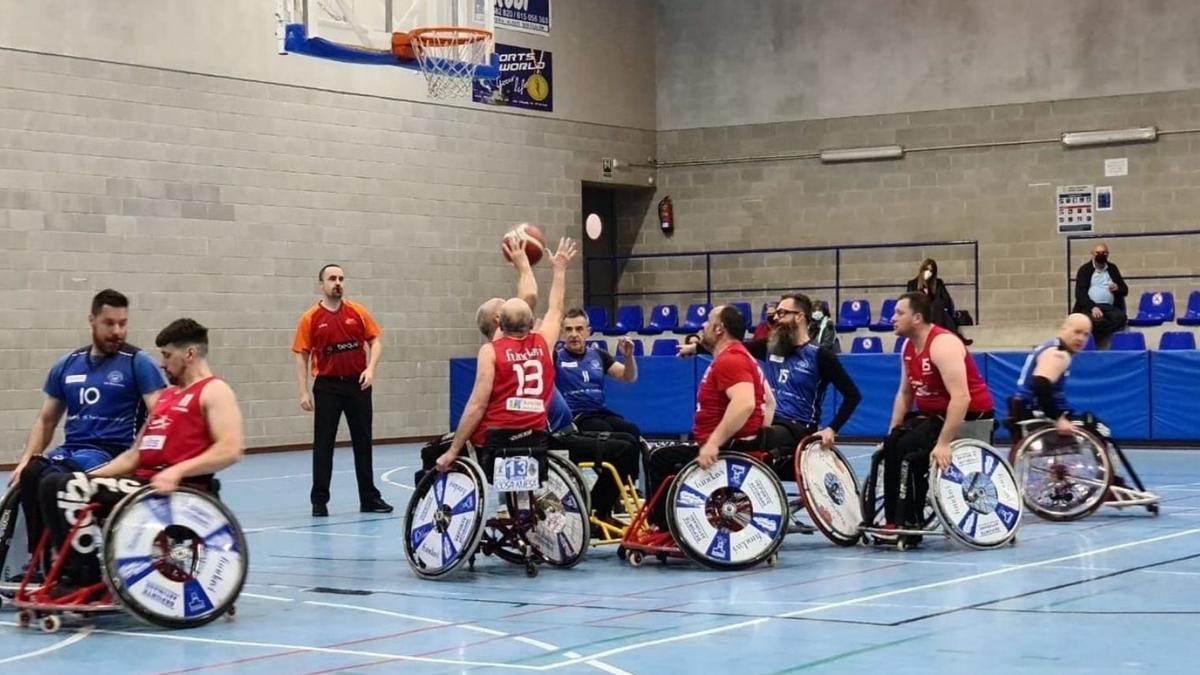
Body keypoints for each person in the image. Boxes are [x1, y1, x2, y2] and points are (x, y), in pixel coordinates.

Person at [37, 318, 244, 594]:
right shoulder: (168, 398)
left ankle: (85, 578)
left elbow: (230, 449)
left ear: (190, 354)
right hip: (140, 482)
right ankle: (62, 570)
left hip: (177, 489)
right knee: (55, 482)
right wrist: (87, 478)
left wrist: (177, 471)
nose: (162, 363)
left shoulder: (214, 391)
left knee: (65, 487)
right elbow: (133, 455)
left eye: (167, 355)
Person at [8, 289, 167, 579]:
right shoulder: (67, 364)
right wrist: (24, 460)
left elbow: (159, 414)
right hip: (73, 449)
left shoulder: (138, 362)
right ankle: (39, 562)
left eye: (123, 323)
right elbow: (46, 420)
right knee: (31, 473)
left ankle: (74, 568)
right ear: (91, 320)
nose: (117, 331)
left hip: (111, 452)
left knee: (55, 481)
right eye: (109, 323)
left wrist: (138, 455)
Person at [436, 238, 575, 472]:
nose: (506, 300)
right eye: (501, 304)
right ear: (496, 321)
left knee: (436, 451)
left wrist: (453, 450)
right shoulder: (541, 341)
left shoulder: (492, 351)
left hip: (500, 438)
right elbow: (554, 307)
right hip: (535, 433)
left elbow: (477, 405)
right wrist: (553, 269)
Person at [645, 306, 772, 528]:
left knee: (658, 456)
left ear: (719, 328)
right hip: (736, 445)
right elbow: (769, 402)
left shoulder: (731, 359)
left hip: (727, 450)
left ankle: (662, 527)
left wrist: (713, 444)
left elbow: (745, 403)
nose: (702, 326)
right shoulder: (740, 356)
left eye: (707, 321)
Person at [881, 292, 993, 538]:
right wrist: (893, 430)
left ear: (917, 318)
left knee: (910, 449)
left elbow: (961, 397)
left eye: (900, 313)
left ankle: (911, 520)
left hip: (969, 416)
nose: (893, 318)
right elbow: (904, 394)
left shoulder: (943, 344)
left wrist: (944, 443)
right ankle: (892, 520)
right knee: (891, 444)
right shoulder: (908, 347)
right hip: (932, 416)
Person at [292, 264, 390, 517]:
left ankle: (369, 498)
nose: (337, 282)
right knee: (323, 444)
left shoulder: (358, 312)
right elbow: (301, 355)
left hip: (357, 385)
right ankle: (319, 500)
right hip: (327, 387)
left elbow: (375, 341)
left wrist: (371, 369)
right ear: (321, 284)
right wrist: (303, 391)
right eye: (332, 278)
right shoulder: (310, 318)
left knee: (363, 442)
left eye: (341, 278)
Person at [759, 294, 862, 458]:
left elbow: (853, 395)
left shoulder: (820, 355)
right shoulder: (770, 347)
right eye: (775, 314)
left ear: (799, 317)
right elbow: (734, 347)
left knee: (761, 438)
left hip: (798, 428)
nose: (776, 318)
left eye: (782, 313)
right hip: (769, 419)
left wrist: (832, 428)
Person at [555, 308, 640, 436]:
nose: (573, 334)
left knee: (631, 430)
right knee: (605, 430)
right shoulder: (555, 358)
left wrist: (628, 357)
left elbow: (628, 377)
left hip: (599, 412)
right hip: (575, 416)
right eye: (568, 329)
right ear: (562, 333)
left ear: (588, 332)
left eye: (579, 329)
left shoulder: (599, 355)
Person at [1009, 314, 1093, 437]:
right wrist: (1058, 419)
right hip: (1034, 412)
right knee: (1097, 427)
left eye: (1086, 335)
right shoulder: (1058, 353)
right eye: (1077, 332)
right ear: (1064, 329)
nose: (1081, 338)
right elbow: (1040, 383)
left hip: (1026, 407)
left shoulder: (1051, 346)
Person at [1072, 242, 1128, 349]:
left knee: (1121, 317)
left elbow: (1125, 290)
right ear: (1092, 253)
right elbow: (1080, 294)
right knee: (1095, 321)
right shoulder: (1084, 270)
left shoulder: (1112, 268)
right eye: (1098, 253)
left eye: (1104, 252)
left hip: (1110, 308)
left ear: (1108, 254)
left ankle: (1100, 337)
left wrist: (1118, 288)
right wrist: (1092, 307)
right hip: (1091, 307)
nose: (1101, 255)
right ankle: (1098, 343)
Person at [906, 259, 970, 344]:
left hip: (936, 312)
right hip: (921, 311)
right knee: (940, 309)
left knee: (938, 304)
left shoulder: (938, 283)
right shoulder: (912, 284)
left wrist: (929, 290)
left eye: (931, 270)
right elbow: (911, 301)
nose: (928, 272)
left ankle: (939, 334)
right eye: (926, 269)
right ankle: (955, 336)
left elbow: (946, 300)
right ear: (922, 270)